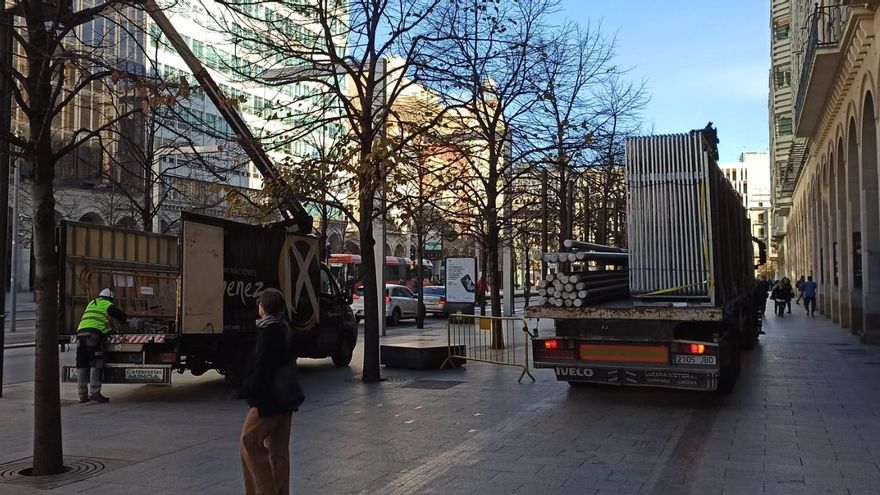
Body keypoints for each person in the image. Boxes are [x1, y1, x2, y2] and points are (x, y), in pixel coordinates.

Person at [240, 288, 297, 495]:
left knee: (249, 442)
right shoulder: (284, 329)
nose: (258, 307)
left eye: (260, 304)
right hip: (286, 400)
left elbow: (263, 369)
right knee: (279, 453)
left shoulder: (269, 333)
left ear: (264, 308)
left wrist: (248, 389)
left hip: (269, 402)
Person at [76, 288, 127, 403]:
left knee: (82, 363)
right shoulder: (107, 304)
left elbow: (97, 320)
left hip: (80, 334)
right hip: (93, 335)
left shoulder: (91, 303)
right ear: (110, 298)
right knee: (96, 363)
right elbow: (121, 316)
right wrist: (125, 321)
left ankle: (82, 395)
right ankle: (95, 393)